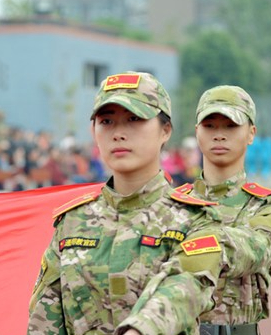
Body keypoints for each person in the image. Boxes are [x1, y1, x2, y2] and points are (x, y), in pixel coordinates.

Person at [28, 72, 223, 335]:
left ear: (165, 130)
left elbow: (184, 290)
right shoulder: (72, 223)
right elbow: (45, 317)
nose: (118, 133)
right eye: (106, 121)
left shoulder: (197, 220)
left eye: (134, 119)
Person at [174, 85, 271, 335]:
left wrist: (200, 245)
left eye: (230, 126)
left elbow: (257, 249)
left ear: (251, 133)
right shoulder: (173, 203)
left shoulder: (266, 205)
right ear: (197, 132)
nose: (219, 135)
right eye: (210, 126)